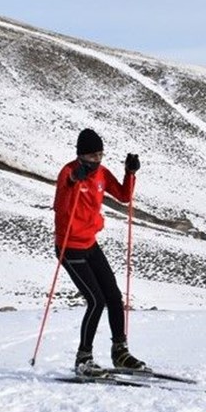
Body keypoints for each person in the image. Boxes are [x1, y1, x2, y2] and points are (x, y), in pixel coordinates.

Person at [54, 128, 147, 376]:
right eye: (93, 156)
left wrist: (130, 173)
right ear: (81, 155)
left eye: (101, 155)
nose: (98, 160)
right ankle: (83, 358)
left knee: (114, 297)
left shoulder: (101, 174)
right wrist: (74, 182)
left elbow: (124, 196)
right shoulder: (68, 172)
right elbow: (61, 208)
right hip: (69, 246)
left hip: (90, 243)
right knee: (96, 300)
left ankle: (120, 352)